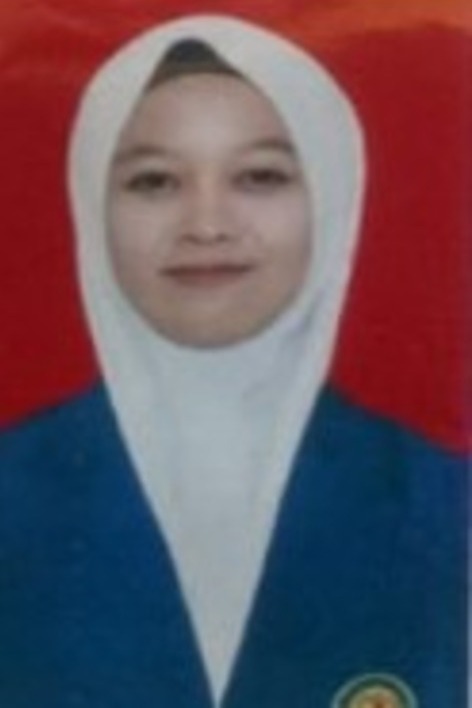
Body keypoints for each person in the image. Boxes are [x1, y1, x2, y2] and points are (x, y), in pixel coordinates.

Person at [0, 14, 467, 708]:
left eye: (259, 176)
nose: (207, 224)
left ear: (334, 199)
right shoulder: (12, 490)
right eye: (155, 182)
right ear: (91, 205)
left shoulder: (443, 502)